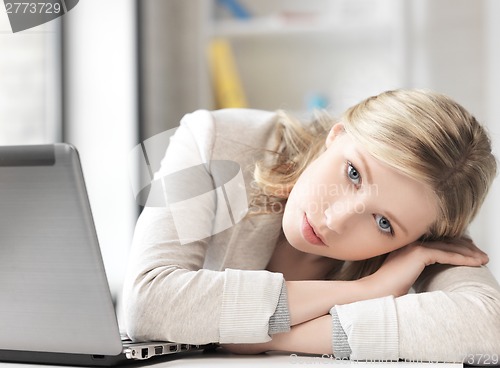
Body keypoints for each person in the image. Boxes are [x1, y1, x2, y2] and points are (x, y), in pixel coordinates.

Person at [122, 89, 500, 363]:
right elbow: (148, 303)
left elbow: (489, 329)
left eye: (383, 223)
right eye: (353, 173)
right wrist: (368, 290)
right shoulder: (215, 140)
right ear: (336, 136)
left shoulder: (427, 218)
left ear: (417, 238)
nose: (335, 219)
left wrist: (274, 337)